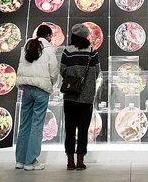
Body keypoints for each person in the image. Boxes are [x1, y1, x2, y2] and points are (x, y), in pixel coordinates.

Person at [14, 25, 59, 171]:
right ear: (49, 36)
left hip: (26, 89)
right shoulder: (49, 49)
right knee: (37, 125)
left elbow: (21, 66)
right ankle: (31, 161)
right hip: (41, 90)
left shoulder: (27, 46)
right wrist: (51, 83)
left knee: (24, 124)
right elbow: (54, 70)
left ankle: (20, 160)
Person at [60, 23, 100, 171]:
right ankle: (80, 161)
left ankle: (70, 162)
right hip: (87, 97)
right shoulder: (92, 52)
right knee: (83, 129)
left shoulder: (67, 51)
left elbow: (62, 70)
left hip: (70, 95)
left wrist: (72, 78)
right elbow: (97, 72)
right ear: (86, 36)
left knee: (69, 129)